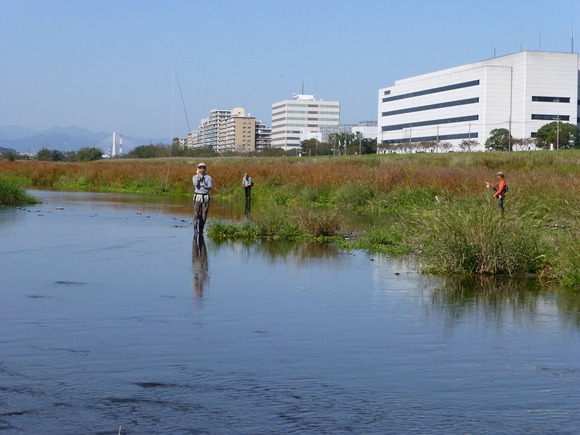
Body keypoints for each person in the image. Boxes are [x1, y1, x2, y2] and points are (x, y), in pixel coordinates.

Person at [192, 162, 213, 235]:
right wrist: (199, 176)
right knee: (196, 213)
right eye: (200, 168)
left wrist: (204, 186)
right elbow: (196, 184)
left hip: (205, 196)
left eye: (203, 168)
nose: (202, 169)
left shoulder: (208, 177)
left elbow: (210, 187)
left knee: (204, 214)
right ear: (197, 169)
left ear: (205, 168)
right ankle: (195, 229)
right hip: (197, 196)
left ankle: (201, 230)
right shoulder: (195, 177)